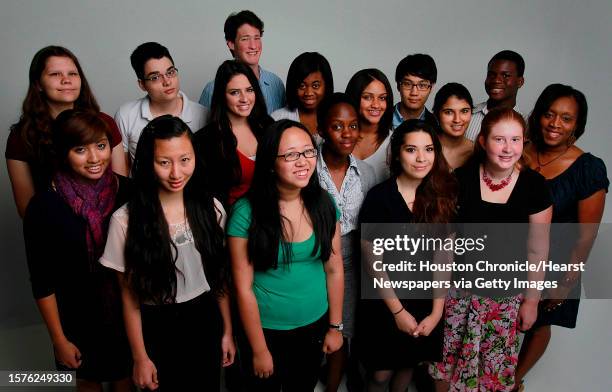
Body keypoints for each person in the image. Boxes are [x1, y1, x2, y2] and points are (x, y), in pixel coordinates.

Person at [99, 116, 235, 390]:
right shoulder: (124, 221)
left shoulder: (212, 209)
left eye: (185, 159)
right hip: (156, 328)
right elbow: (128, 299)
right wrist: (140, 357)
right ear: (148, 163)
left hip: (204, 320)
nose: (176, 173)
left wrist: (227, 331)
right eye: (164, 162)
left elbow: (219, 278)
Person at [430, 108, 552, 392]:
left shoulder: (534, 187)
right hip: (458, 296)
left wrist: (532, 301)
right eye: (499, 139)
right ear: (483, 141)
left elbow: (538, 249)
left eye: (515, 140)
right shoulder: (459, 180)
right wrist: (437, 302)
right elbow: (445, 248)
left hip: (505, 301)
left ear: (524, 142)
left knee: (491, 377)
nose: (508, 148)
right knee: (445, 373)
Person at [227, 119, 344, 391]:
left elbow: (335, 269)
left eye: (308, 152)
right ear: (270, 162)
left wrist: (335, 327)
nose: (302, 161)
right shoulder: (246, 212)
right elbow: (242, 287)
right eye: (291, 155)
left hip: (314, 326)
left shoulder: (324, 204)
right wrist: (258, 349)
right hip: (265, 332)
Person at [23, 109, 132, 391]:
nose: (95, 158)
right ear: (63, 152)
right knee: (87, 383)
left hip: (127, 313)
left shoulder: (129, 193)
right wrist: (59, 340)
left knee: (127, 381)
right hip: (77, 320)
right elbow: (42, 281)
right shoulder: (44, 206)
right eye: (80, 149)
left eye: (101, 145)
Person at [514, 84, 608, 391]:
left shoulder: (588, 169)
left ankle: (513, 383)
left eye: (566, 118)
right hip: (509, 254)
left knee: (539, 325)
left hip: (557, 263)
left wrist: (565, 282)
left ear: (577, 125)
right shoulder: (519, 151)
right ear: (539, 115)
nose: (555, 124)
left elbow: (585, 236)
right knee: (501, 324)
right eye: (550, 114)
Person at [358, 119, 456, 392]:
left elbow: (444, 258)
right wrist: (398, 312)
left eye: (428, 149)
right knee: (380, 375)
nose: (421, 158)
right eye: (412, 150)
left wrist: (437, 312)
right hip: (385, 301)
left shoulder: (441, 196)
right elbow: (372, 264)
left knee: (407, 367)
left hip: (425, 300)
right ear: (397, 153)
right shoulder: (379, 198)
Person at [6, 46, 127, 218]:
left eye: (73, 73)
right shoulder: (22, 136)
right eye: (55, 74)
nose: (66, 80)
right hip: (52, 231)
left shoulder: (104, 123)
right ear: (38, 84)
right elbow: (27, 209)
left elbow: (120, 187)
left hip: (111, 226)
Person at [315, 93, 376, 392]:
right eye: (338, 126)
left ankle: (331, 387)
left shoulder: (366, 172)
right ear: (322, 129)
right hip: (312, 257)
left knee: (341, 330)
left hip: (350, 259)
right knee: (313, 327)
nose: (347, 133)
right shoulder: (308, 167)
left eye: (353, 125)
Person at [114, 42, 208, 169]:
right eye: (155, 77)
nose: (167, 81)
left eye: (170, 72)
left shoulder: (203, 114)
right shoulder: (126, 115)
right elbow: (121, 174)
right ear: (142, 84)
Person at [194, 60, 273, 207]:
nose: (244, 99)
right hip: (232, 223)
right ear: (222, 96)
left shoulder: (268, 125)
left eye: (249, 90)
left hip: (272, 216)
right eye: (235, 92)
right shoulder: (206, 140)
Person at [199, 10, 285, 113]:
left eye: (257, 38)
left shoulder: (276, 83)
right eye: (245, 39)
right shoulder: (212, 89)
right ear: (231, 44)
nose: (253, 46)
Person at [345, 68, 394, 184]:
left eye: (382, 98)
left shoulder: (394, 142)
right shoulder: (336, 138)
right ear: (354, 98)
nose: (376, 105)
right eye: (367, 97)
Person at [464, 50, 525, 141]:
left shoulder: (525, 123)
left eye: (505, 75)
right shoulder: (467, 115)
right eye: (491, 75)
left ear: (520, 82)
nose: (496, 80)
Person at [272, 52, 334, 140]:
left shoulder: (336, 116)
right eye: (302, 86)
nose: (308, 93)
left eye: (315, 86)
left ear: (326, 85)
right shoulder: (278, 118)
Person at [432, 83, 474, 170]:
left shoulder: (478, 152)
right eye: (449, 112)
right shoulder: (426, 149)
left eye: (464, 111)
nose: (457, 120)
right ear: (437, 114)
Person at [392, 53, 439, 129]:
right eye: (407, 84)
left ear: (431, 87)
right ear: (398, 85)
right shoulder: (381, 118)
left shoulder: (437, 124)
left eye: (422, 85)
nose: (414, 93)